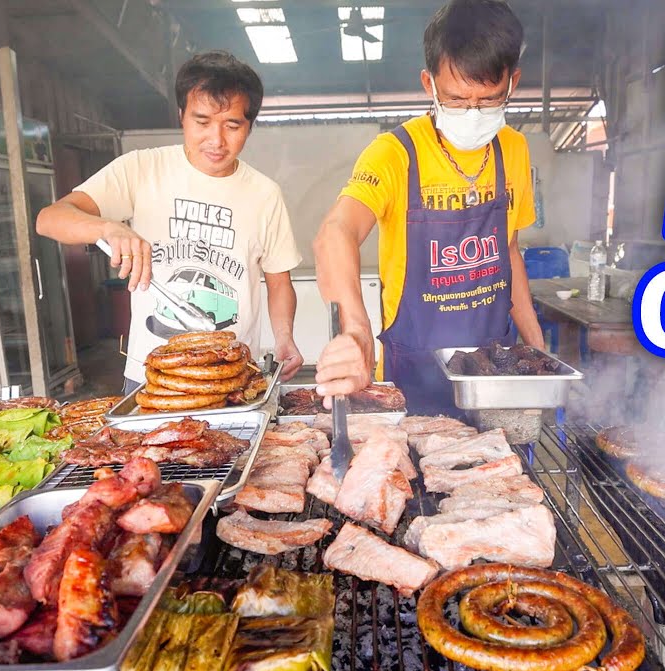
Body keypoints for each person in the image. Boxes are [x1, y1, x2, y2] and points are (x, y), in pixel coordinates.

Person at [312, 0, 544, 416]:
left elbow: (508, 249)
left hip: (495, 371)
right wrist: (357, 330)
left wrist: (538, 346)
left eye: (489, 100)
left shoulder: (515, 149)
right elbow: (335, 233)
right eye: (456, 99)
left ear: (513, 83)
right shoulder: (394, 154)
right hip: (413, 376)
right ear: (429, 84)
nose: (473, 112)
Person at [36, 51, 303, 393]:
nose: (216, 140)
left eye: (232, 125)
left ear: (250, 126)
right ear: (182, 116)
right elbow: (49, 219)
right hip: (152, 376)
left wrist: (284, 338)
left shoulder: (265, 194)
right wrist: (107, 227)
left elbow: (278, 281)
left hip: (232, 375)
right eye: (202, 121)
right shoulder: (141, 169)